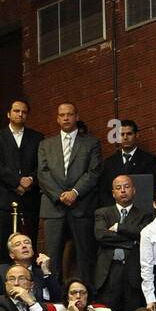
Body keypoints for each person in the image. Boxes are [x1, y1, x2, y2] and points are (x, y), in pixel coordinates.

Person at [37, 102, 101, 279]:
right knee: (52, 256)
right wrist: (59, 195)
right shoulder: (45, 144)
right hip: (53, 206)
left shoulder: (91, 143)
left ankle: (87, 294)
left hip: (81, 205)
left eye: (70, 114)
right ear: (57, 118)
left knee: (84, 254)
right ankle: (54, 296)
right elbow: (42, 173)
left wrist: (75, 192)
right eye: (62, 115)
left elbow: (93, 171)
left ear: (77, 117)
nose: (66, 118)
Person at [0, 98, 44, 263]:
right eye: (16, 111)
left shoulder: (37, 137)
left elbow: (41, 165)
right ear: (8, 114)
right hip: (4, 197)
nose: (20, 114)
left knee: (28, 241)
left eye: (24, 112)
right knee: (5, 242)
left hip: (29, 198)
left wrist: (30, 180)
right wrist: (18, 182)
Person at [93, 173, 152, 311]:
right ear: (113, 193)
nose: (123, 190)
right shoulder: (102, 213)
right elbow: (101, 236)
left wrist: (119, 227)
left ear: (134, 190)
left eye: (126, 187)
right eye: (118, 188)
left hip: (133, 271)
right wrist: (130, 241)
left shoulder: (145, 215)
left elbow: (142, 234)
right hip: (109, 270)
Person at [0, 232, 62, 302]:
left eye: (27, 243)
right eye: (18, 244)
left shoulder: (42, 274)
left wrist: (46, 271)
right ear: (11, 254)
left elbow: (57, 299)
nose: (24, 246)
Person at [99, 119, 156, 193]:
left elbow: (152, 188)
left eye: (129, 134)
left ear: (136, 135)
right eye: (122, 134)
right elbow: (103, 191)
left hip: (140, 203)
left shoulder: (149, 160)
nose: (125, 137)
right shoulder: (109, 163)